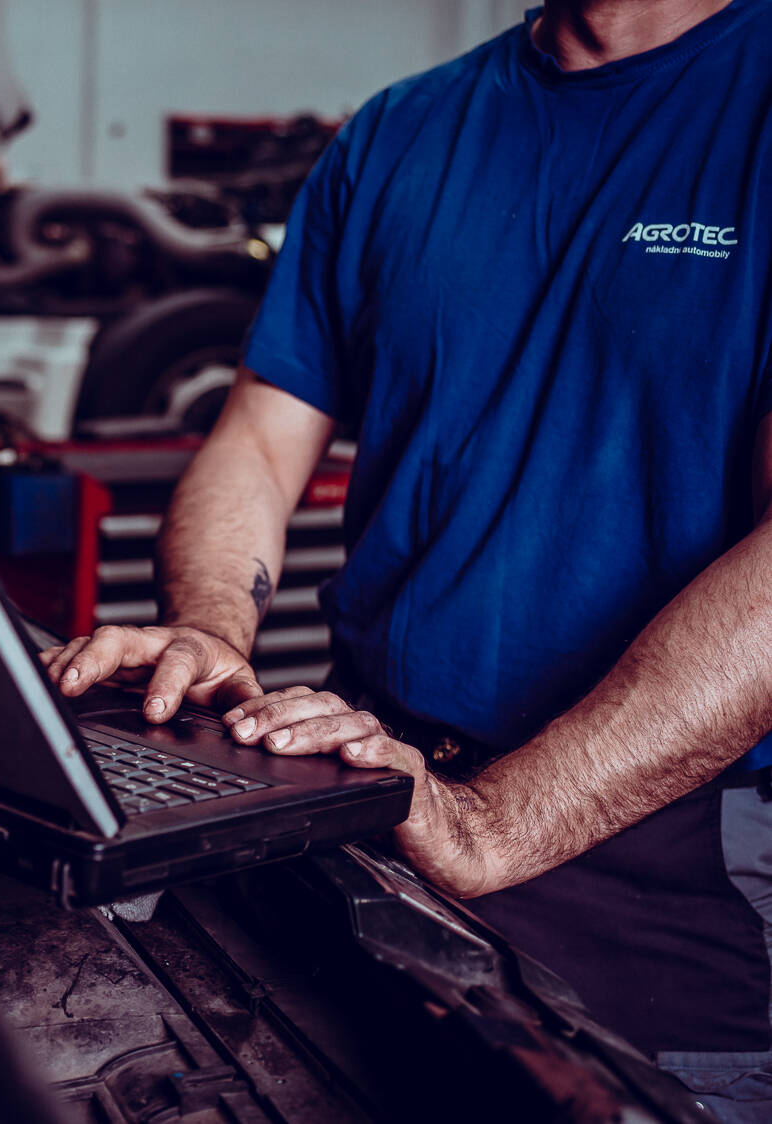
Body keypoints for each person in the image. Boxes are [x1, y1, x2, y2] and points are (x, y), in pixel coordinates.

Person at [40, 0, 772, 1117]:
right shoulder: (400, 132)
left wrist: (500, 818)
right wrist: (210, 626)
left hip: (670, 858)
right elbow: (256, 435)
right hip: (382, 792)